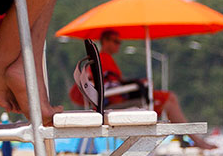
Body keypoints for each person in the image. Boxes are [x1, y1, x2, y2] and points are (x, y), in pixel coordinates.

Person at [67, 30, 208, 144]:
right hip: (116, 103)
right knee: (169, 98)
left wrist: (135, 83)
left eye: (119, 42)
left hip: (109, 101)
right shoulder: (104, 58)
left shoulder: (98, 59)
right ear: (105, 41)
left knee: (166, 97)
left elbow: (111, 83)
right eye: (116, 41)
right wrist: (138, 85)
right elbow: (112, 87)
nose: (118, 45)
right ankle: (193, 139)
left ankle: (186, 137)